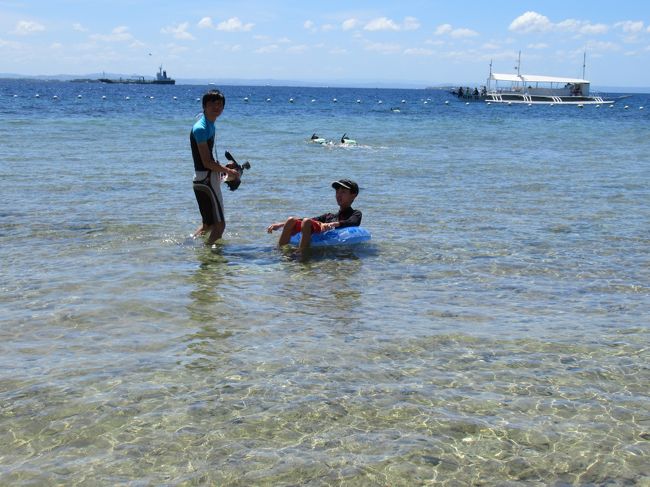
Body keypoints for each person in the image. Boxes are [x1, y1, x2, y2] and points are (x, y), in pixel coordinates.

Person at [190, 89, 239, 244]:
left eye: (220, 104)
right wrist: (228, 171)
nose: (217, 107)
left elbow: (207, 160)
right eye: (213, 104)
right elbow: (206, 162)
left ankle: (186, 245)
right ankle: (209, 260)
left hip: (202, 179)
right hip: (206, 181)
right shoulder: (201, 128)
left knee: (208, 225)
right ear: (204, 105)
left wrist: (224, 168)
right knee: (220, 225)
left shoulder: (209, 124)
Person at [267, 179, 362, 250]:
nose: (338, 195)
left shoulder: (355, 213)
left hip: (337, 237)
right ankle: (279, 250)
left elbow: (353, 222)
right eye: (337, 192)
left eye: (343, 192)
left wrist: (332, 224)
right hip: (321, 234)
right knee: (292, 220)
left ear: (353, 195)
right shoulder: (329, 216)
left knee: (307, 221)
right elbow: (310, 220)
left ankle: (302, 253)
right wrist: (280, 224)